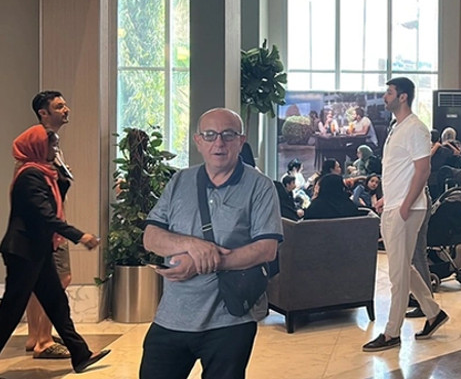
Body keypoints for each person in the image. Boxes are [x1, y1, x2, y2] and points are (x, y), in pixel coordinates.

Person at [140, 108, 281, 378]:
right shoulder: (180, 181)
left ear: (241, 141)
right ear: (198, 141)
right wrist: (192, 245)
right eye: (210, 135)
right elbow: (151, 237)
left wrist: (201, 263)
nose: (219, 143)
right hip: (172, 317)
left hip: (230, 320)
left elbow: (267, 249)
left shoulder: (260, 186)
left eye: (228, 135)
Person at [0, 125, 110, 373]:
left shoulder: (42, 174)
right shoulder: (29, 176)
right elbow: (46, 216)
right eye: (53, 144)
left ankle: (80, 354)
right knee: (11, 310)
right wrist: (80, 236)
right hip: (24, 252)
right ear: (39, 146)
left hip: (37, 250)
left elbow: (51, 204)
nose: (56, 149)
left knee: (56, 303)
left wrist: (62, 179)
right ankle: (79, 352)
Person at [363, 78, 447, 351]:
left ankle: (392, 332)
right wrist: (388, 198)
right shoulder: (396, 127)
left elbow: (423, 170)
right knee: (402, 268)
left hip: (407, 209)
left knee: (397, 275)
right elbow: (400, 171)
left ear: (403, 97)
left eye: (389, 93)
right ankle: (433, 312)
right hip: (395, 205)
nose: (384, 97)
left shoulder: (416, 128)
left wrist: (405, 204)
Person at [25, 90, 74, 359]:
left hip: (43, 222)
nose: (66, 110)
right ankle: (44, 341)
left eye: (65, 105)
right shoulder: (42, 144)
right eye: (59, 106)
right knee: (60, 278)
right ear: (43, 113)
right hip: (49, 224)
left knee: (38, 280)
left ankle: (35, 336)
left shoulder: (50, 143)